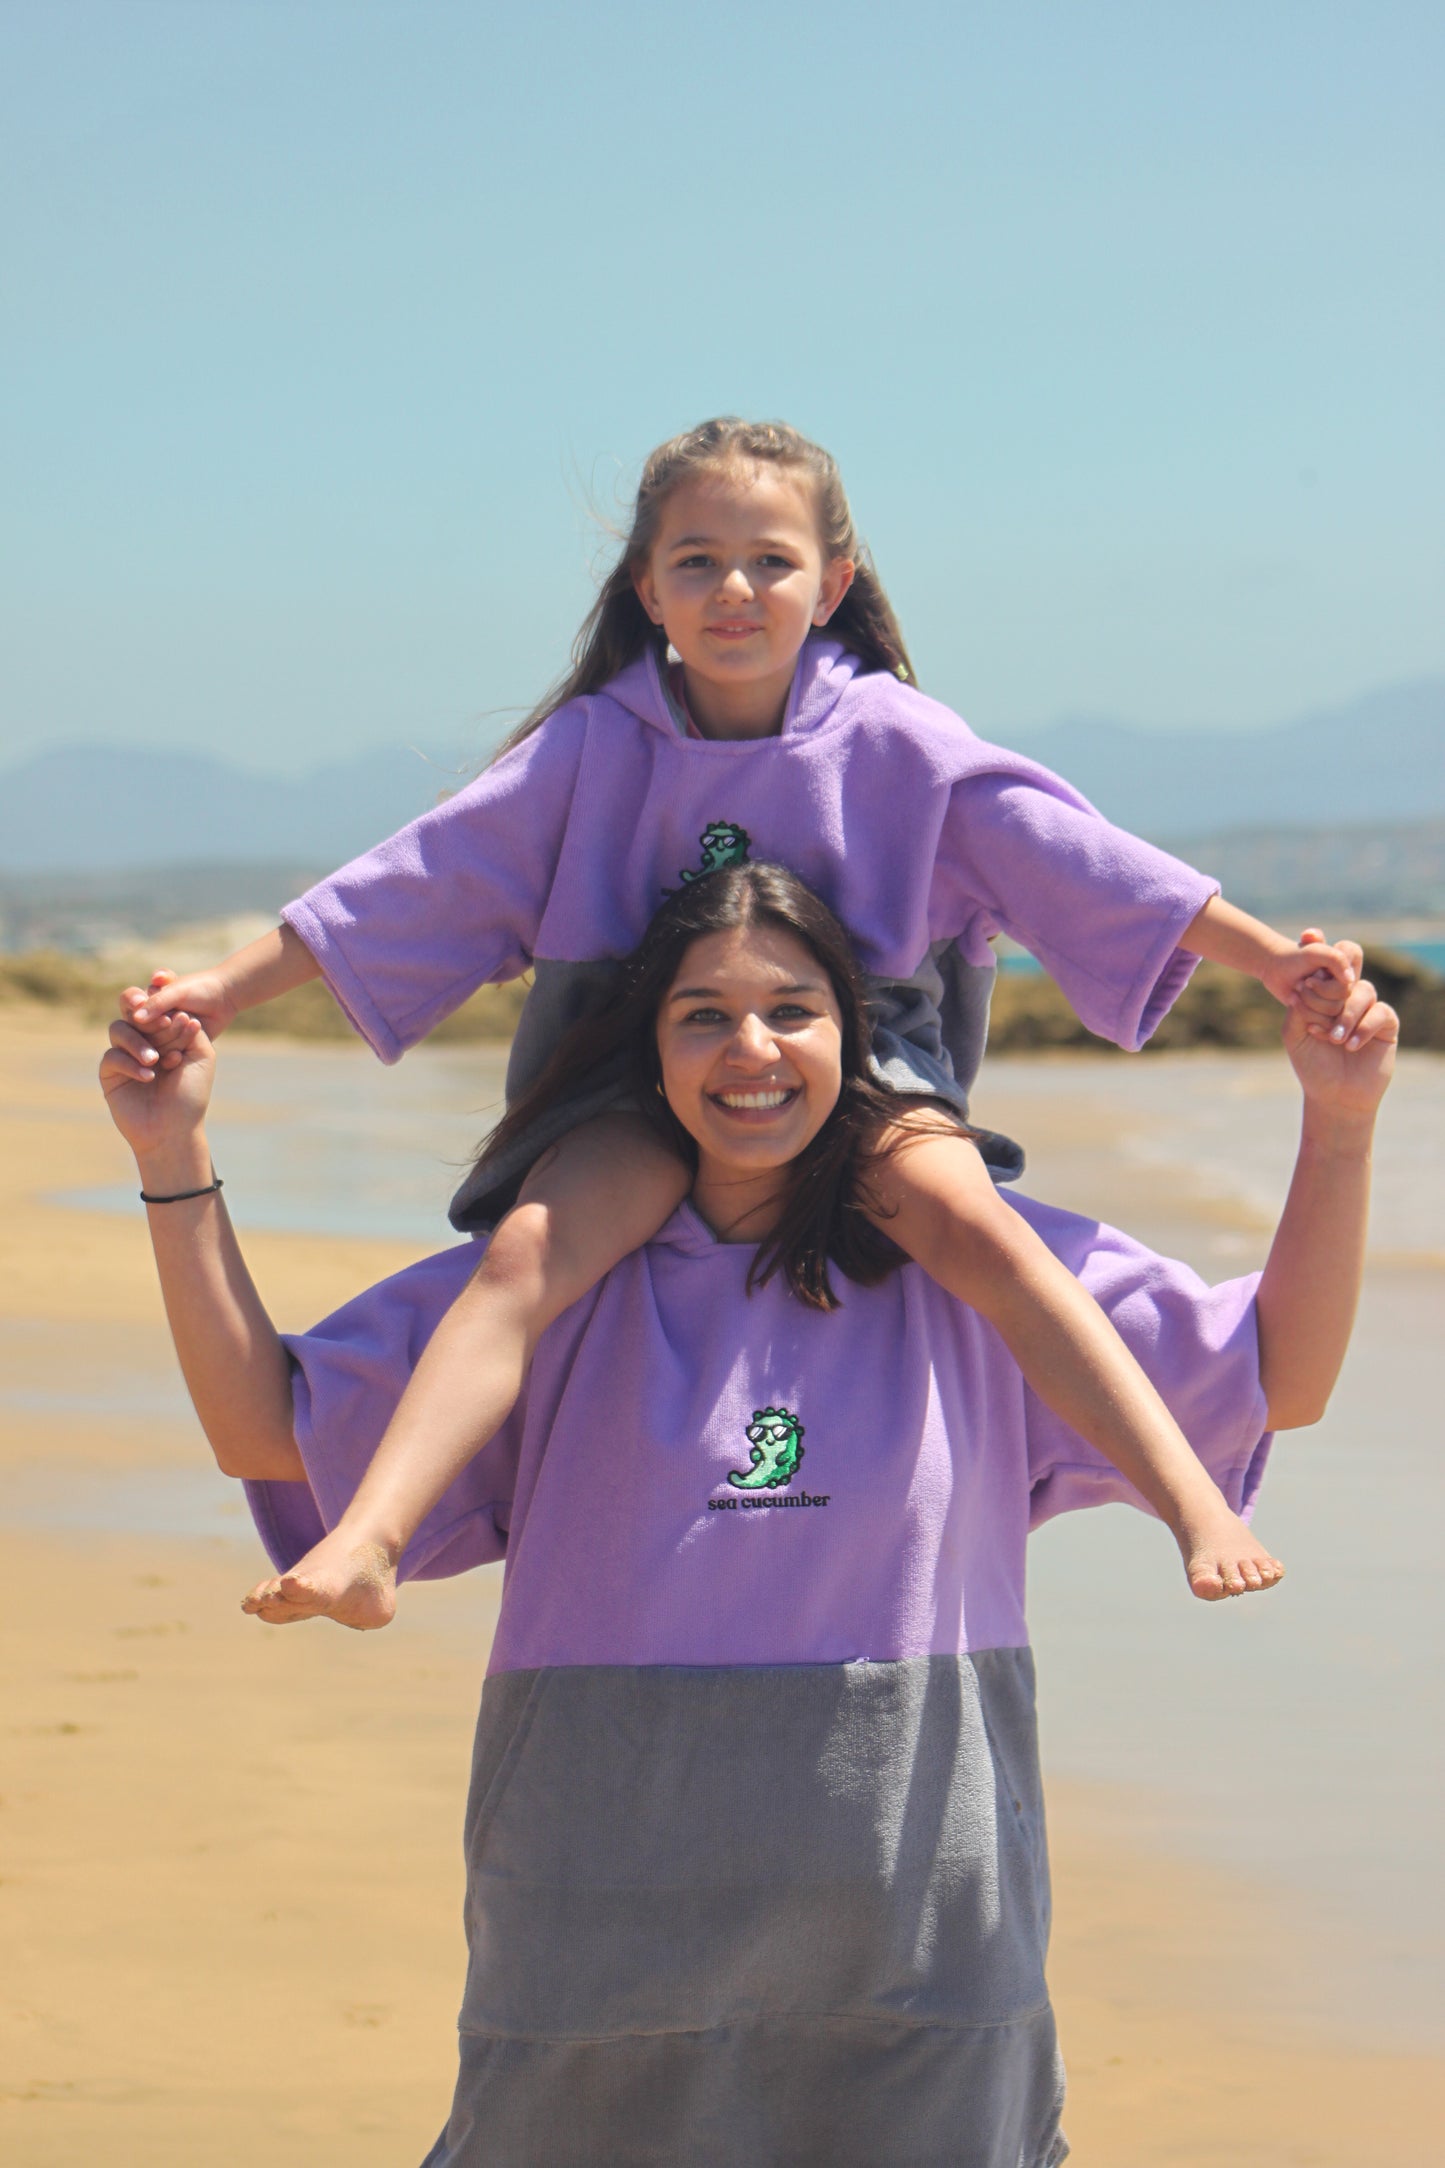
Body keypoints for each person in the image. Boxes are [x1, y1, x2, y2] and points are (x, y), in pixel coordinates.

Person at [100, 866, 1394, 2168]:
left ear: (859, 1036)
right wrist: (172, 1156)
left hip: (921, 1956)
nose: (752, 1049)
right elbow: (266, 1425)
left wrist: (1337, 1128)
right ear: (645, 1050)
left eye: (794, 1008)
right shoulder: (551, 1281)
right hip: (597, 1944)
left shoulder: (988, 1278)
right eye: (701, 1014)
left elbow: (1277, 1379)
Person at [116, 418, 1359, 1621]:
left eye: (771, 560)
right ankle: (370, 1536)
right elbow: (422, 876)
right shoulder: (590, 748)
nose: (734, 588)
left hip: (863, 1061)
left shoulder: (892, 738)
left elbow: (1075, 861)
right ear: (646, 588)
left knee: (970, 1222)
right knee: (523, 1258)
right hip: (621, 1064)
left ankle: (1191, 1498)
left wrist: (1263, 958)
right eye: (696, 560)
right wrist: (219, 990)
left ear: (832, 585)